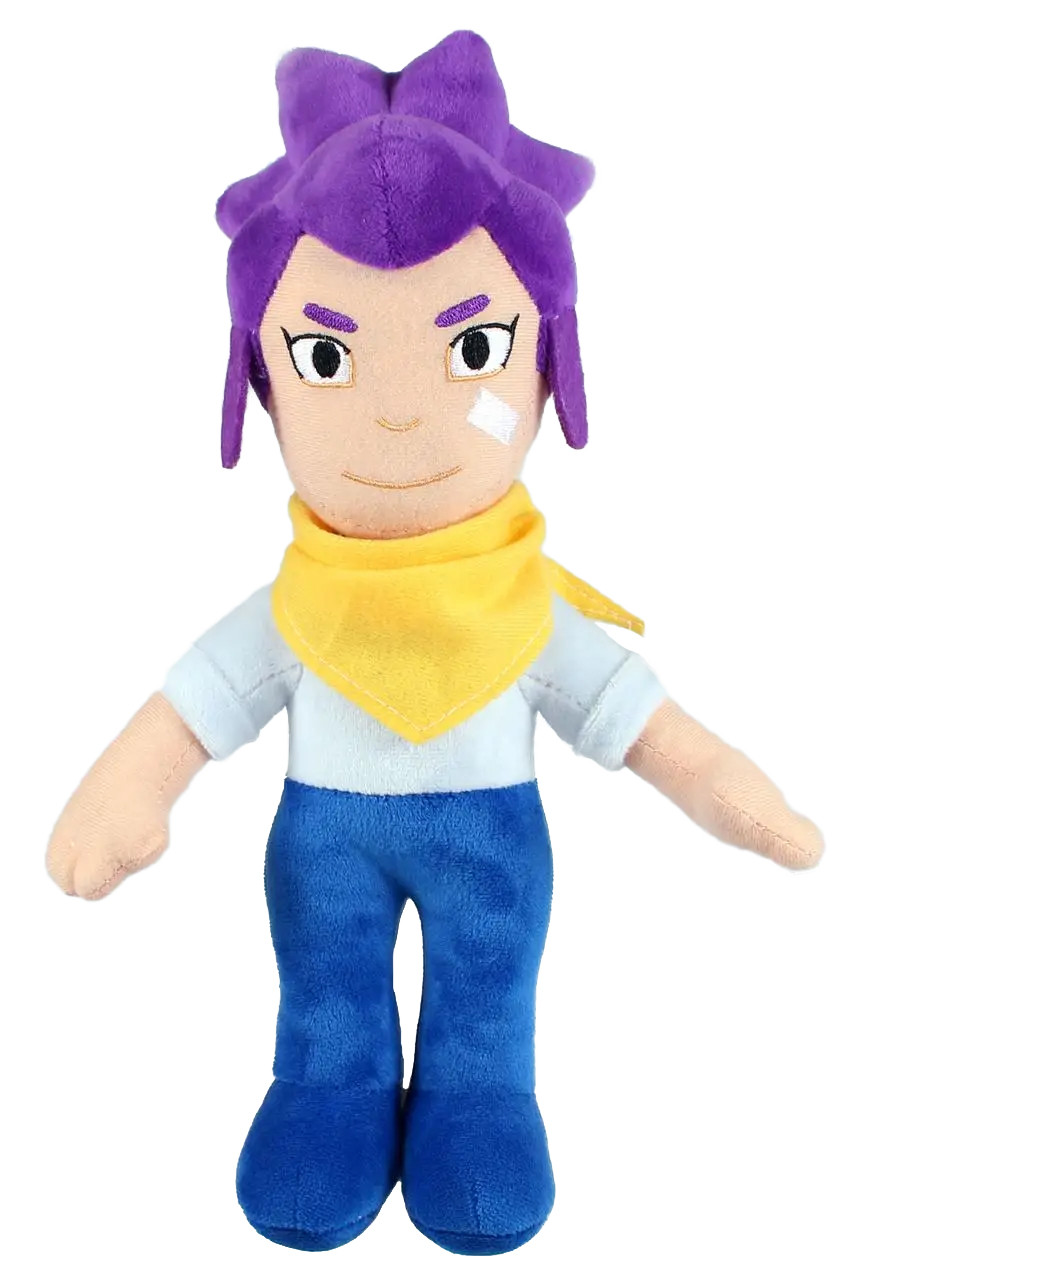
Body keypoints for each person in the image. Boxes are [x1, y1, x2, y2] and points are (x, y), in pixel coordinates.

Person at [47, 30, 823, 1257]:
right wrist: (126, 796)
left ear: (547, 363)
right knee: (326, 987)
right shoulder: (292, 607)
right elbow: (192, 706)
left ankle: (480, 1101)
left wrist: (735, 796)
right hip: (326, 843)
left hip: (489, 844)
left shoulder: (527, 609)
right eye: (325, 356)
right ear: (258, 381)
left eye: (471, 349)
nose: (400, 409)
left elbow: (646, 727)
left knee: (484, 994)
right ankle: (325, 1089)